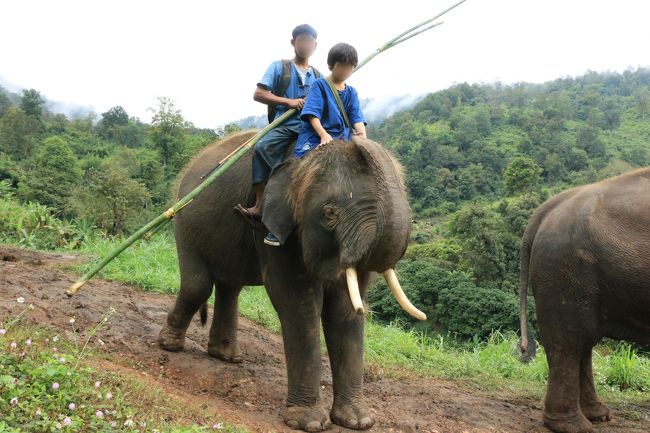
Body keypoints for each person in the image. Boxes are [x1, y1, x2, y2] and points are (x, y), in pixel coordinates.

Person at [234, 24, 321, 247]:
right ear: (293, 42)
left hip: (309, 128)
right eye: (301, 41)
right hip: (285, 125)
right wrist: (288, 102)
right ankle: (262, 202)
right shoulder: (280, 67)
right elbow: (259, 94)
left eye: (310, 42)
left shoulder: (319, 77)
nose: (305, 45)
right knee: (262, 147)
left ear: (315, 46)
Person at [294, 42, 367, 159]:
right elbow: (313, 114)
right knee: (302, 162)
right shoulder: (319, 85)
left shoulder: (352, 92)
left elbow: (357, 119)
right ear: (331, 65)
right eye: (342, 65)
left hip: (343, 137)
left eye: (350, 66)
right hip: (316, 136)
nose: (346, 70)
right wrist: (323, 135)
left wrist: (362, 136)